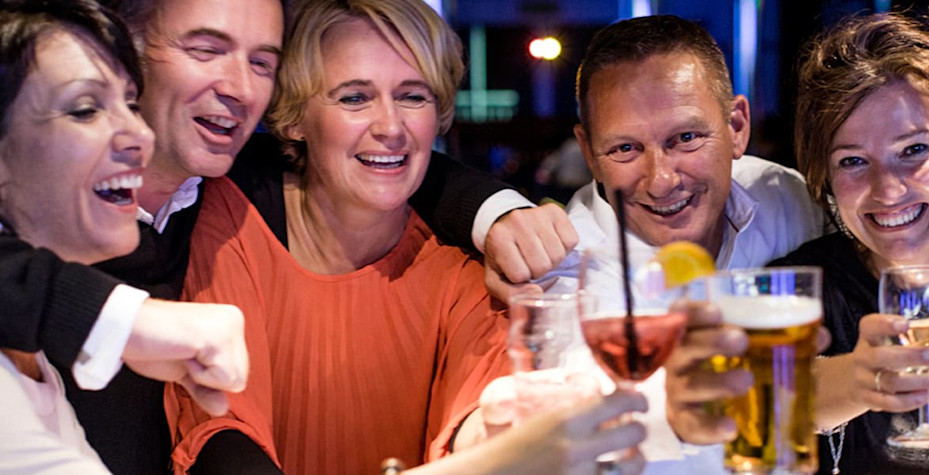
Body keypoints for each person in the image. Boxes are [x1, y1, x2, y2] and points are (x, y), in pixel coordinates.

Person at [1, 0, 580, 471]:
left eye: (262, 63)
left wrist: (492, 209)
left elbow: (377, 162)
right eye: (206, 49)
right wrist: (124, 319)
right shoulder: (227, 207)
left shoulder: (221, 184)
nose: (240, 88)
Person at [168, 1, 647, 473]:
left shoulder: (462, 269)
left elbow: (476, 421)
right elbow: (220, 429)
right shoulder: (231, 221)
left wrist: (504, 437)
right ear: (293, 117)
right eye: (355, 97)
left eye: (412, 96)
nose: (390, 127)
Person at [491, 14, 827, 474]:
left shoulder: (787, 197)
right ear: (589, 154)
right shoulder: (564, 270)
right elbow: (566, 430)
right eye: (625, 149)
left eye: (686, 138)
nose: (662, 180)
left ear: (736, 126)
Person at [0, 0, 253, 471]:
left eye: (131, 105)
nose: (140, 133)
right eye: (84, 109)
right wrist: (125, 320)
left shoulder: (32, 361)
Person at [766, 13, 929, 474]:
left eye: (913, 150)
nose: (887, 191)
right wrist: (858, 382)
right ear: (824, 177)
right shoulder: (800, 288)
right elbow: (767, 398)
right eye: (852, 161)